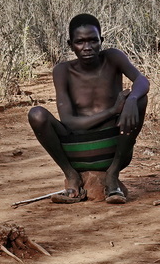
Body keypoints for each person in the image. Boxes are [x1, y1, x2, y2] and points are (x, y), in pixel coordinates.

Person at [28, 13, 149, 204]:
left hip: (114, 148)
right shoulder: (62, 71)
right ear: (70, 44)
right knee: (36, 114)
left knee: (141, 99)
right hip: (76, 150)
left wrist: (133, 98)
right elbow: (68, 121)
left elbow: (141, 80)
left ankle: (112, 175)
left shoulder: (113, 58)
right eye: (80, 42)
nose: (87, 47)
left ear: (101, 40)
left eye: (93, 40)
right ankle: (72, 175)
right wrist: (112, 111)